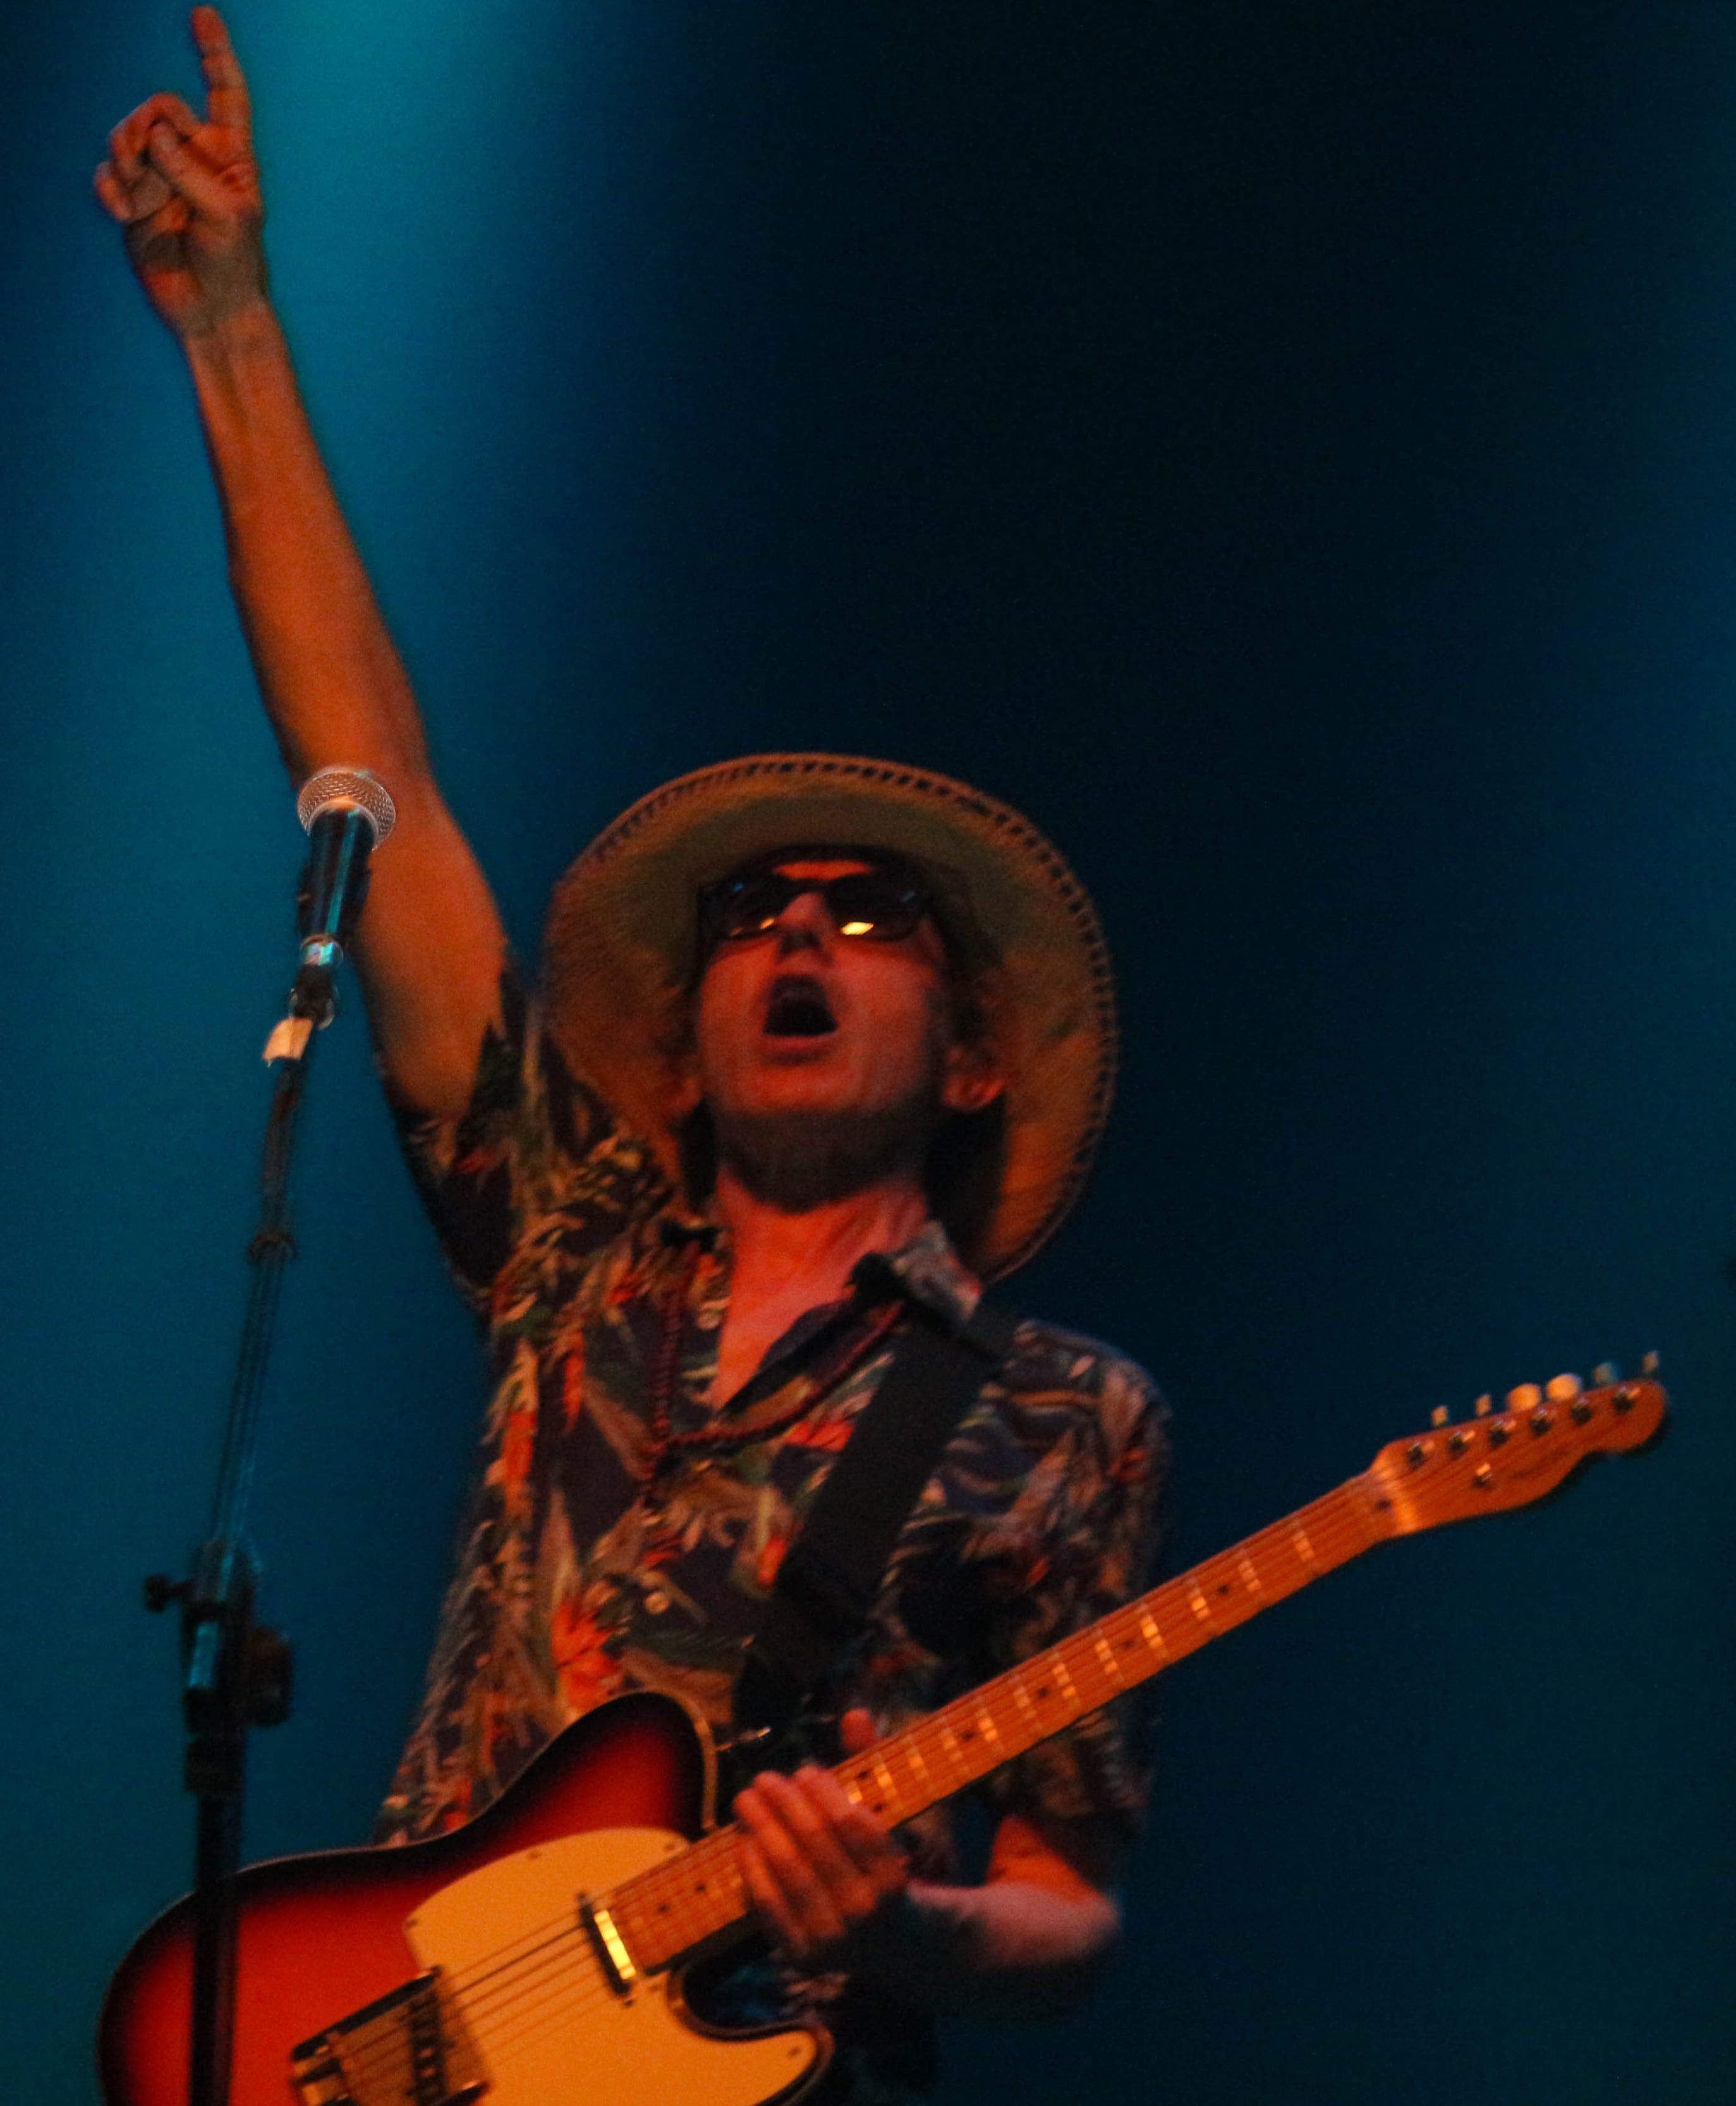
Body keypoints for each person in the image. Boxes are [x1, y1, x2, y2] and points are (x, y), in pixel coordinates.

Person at [95, 13, 1167, 2097]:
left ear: (965, 1058)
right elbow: (370, 773)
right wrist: (230, 326)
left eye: (868, 923)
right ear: (675, 1055)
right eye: (760, 917)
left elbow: (1066, 1908)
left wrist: (911, 1919)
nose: (797, 936)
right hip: (406, 2043)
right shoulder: (572, 1251)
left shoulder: (1055, 1417)